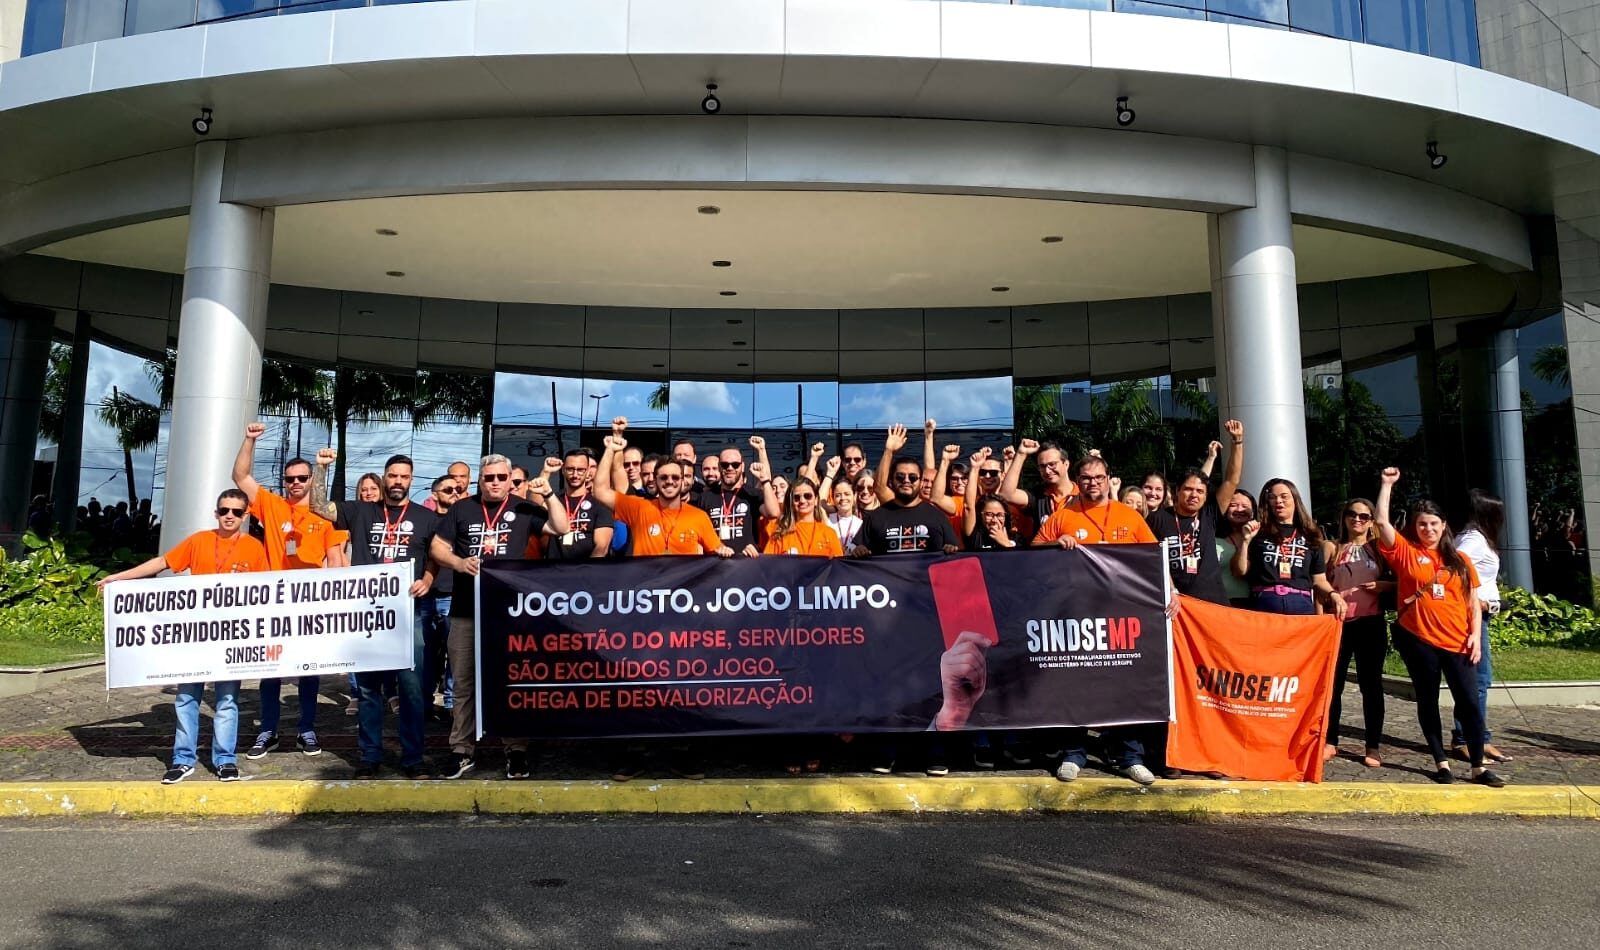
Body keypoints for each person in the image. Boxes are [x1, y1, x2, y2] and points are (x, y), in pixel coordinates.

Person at [98, 489, 268, 783]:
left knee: (227, 700)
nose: (229, 516)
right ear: (216, 513)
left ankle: (225, 760)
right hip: (195, 636)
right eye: (224, 510)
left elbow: (267, 591)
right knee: (187, 698)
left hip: (232, 638)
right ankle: (183, 759)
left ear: (245, 516)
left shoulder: (254, 548)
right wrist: (119, 577)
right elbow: (162, 562)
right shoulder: (199, 541)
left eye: (236, 512)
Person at [595, 420, 733, 781]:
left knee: (683, 686)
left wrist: (723, 552)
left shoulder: (699, 517)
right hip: (644, 615)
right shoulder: (639, 508)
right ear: (654, 481)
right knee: (637, 685)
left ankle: (683, 754)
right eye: (663, 478)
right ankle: (635, 754)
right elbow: (600, 491)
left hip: (684, 619)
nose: (670, 482)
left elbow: (716, 552)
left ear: (685, 481)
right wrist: (612, 448)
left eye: (675, 477)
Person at [429, 454, 568, 780]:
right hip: (466, 610)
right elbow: (437, 547)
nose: (494, 482)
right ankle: (461, 750)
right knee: (463, 684)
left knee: (510, 681)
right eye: (488, 477)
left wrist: (549, 493)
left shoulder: (522, 507)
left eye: (501, 477)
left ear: (510, 480)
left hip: (509, 614)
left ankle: (515, 750)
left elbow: (561, 527)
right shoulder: (462, 508)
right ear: (479, 480)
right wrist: (458, 563)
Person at [1032, 453, 1164, 786]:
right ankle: (1073, 753)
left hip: (1122, 617)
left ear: (1108, 479)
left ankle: (1130, 757)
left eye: (1099, 477)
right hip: (1076, 616)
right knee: (1075, 684)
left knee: (1124, 687)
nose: (1093, 483)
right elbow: (1032, 551)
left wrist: (1171, 591)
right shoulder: (1064, 516)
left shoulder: (1128, 516)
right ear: (1078, 482)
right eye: (1087, 478)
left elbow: (1153, 559)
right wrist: (1055, 544)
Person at [1375, 468, 1505, 787]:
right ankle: (1441, 762)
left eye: (1434, 524)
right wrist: (1387, 485)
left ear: (1444, 525)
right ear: (1416, 527)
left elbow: (1472, 602)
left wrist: (1475, 636)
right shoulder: (1406, 553)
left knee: (1470, 702)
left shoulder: (1460, 560)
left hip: (1459, 642)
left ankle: (1477, 766)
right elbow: (1381, 522)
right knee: (1427, 700)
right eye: (1422, 524)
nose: (1428, 529)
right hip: (1420, 641)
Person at [854, 425, 961, 777]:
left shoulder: (935, 516)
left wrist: (950, 551)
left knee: (933, 687)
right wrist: (860, 552)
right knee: (889, 688)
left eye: (912, 477)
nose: (906, 481)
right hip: (885, 621)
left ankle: (935, 753)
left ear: (920, 482)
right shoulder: (877, 517)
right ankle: (887, 752)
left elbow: (954, 559)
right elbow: (856, 554)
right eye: (900, 477)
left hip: (927, 619)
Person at [232, 424, 342, 760]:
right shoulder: (272, 505)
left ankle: (306, 729)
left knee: (308, 668)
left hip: (310, 604)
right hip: (274, 602)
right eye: (290, 478)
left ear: (310, 480)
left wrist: (338, 599)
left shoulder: (325, 516)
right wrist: (249, 439)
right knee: (272, 669)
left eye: (302, 478)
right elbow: (240, 477)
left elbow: (336, 561)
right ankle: (268, 730)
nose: (295, 483)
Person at [333, 454, 440, 780]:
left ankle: (413, 758)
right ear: (384, 478)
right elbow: (319, 507)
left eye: (404, 477)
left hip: (409, 615)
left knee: (411, 691)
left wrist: (428, 579)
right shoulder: (362, 511)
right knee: (368, 691)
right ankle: (370, 757)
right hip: (368, 615)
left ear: (411, 479)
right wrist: (322, 467)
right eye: (393, 476)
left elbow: (435, 556)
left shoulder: (426, 517)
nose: (398, 482)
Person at [1323, 497, 1393, 769]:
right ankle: (1330, 739)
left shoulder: (1379, 549)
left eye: (1364, 516)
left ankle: (1373, 744)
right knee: (1334, 684)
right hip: (1338, 622)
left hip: (1371, 622)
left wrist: (1383, 586)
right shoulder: (1332, 548)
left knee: (1371, 685)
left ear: (1371, 521)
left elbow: (1400, 581)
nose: (1357, 520)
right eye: (1352, 514)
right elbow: (1318, 583)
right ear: (1344, 517)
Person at [1147, 420, 1244, 607]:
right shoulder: (1158, 519)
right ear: (1177, 491)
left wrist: (1238, 442)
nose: (1194, 495)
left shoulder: (1209, 514)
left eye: (1200, 491)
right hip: (1176, 604)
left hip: (1213, 602)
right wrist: (1170, 590)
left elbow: (1232, 480)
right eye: (1188, 489)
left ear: (1205, 496)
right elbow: (1152, 560)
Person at [1453, 489, 1511, 765]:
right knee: (1477, 680)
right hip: (1473, 616)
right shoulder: (1473, 540)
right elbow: (1451, 568)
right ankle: (1466, 738)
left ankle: (1479, 737)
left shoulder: (1475, 538)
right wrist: (1478, 602)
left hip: (1480, 614)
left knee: (1479, 680)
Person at [1233, 478, 1346, 619]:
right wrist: (1245, 541)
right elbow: (1240, 571)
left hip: (1301, 604)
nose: (1278, 501)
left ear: (1295, 499)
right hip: (1264, 602)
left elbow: (1319, 580)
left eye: (1284, 496)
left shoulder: (1311, 535)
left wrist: (1333, 595)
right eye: (1272, 497)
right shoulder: (1258, 532)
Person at [422, 474, 460, 722]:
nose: (454, 492)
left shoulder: (463, 521)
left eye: (458, 489)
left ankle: (450, 703)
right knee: (425, 655)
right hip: (425, 596)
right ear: (434, 494)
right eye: (448, 490)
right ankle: (424, 703)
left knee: (454, 653)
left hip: (452, 594)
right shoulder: (425, 521)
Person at [694, 437, 769, 558]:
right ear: (719, 467)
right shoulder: (705, 497)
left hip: (746, 562)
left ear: (742, 466)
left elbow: (773, 513)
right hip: (714, 564)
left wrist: (765, 479)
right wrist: (715, 547)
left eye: (735, 465)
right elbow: (698, 534)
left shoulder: (753, 494)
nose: (730, 468)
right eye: (725, 465)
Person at [548, 448, 615, 561]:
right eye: (570, 469)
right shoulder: (553, 499)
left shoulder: (600, 503)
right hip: (555, 568)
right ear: (563, 470)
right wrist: (546, 472)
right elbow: (535, 503)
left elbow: (601, 547)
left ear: (588, 471)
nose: (575, 475)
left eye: (580, 470)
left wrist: (588, 569)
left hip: (588, 568)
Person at [998, 438, 1076, 529]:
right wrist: (1021, 454)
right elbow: (1006, 495)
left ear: (1066, 464)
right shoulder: (1038, 496)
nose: (1047, 471)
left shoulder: (1082, 494)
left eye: (1052, 464)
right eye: (1042, 466)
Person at [1219, 488, 1256, 607]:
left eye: (1245, 506)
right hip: (1220, 603)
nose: (1239, 509)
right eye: (1233, 505)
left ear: (1253, 511)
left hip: (1255, 604)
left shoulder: (1261, 540)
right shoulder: (1213, 539)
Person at [828, 473, 864, 552]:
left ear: (854, 496)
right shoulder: (827, 521)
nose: (843, 498)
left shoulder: (861, 524)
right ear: (833, 498)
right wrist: (829, 474)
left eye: (847, 494)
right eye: (838, 495)